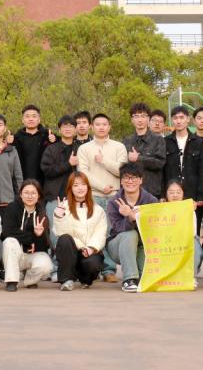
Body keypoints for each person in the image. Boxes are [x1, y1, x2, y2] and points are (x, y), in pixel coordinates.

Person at [77, 113, 126, 283]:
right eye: (97, 124)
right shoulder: (84, 148)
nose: (101, 127)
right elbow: (83, 172)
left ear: (109, 126)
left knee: (111, 232)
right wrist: (101, 186)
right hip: (93, 195)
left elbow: (122, 171)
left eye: (104, 124)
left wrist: (104, 161)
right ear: (92, 127)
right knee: (93, 232)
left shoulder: (119, 147)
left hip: (115, 196)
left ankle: (109, 270)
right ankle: (95, 267)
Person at [105, 162, 159, 292]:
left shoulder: (151, 201)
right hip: (117, 247)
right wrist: (129, 218)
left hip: (143, 247)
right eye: (126, 177)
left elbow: (154, 228)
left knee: (145, 280)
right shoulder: (113, 202)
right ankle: (129, 279)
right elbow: (117, 229)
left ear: (141, 180)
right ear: (121, 181)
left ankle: (138, 275)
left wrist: (134, 217)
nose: (130, 181)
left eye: (134, 177)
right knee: (130, 234)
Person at [52, 172, 108, 291]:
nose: (80, 188)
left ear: (88, 187)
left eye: (83, 184)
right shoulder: (63, 207)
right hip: (71, 251)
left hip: (89, 251)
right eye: (76, 185)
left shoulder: (98, 210)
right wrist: (59, 217)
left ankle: (85, 279)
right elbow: (61, 234)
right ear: (70, 188)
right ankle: (67, 280)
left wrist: (91, 248)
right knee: (65, 239)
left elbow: (100, 233)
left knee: (93, 264)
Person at [164, 106, 203, 231]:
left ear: (188, 119)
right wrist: (163, 194)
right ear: (172, 120)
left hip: (192, 196)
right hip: (172, 195)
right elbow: (163, 170)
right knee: (172, 230)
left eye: (181, 117)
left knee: (192, 231)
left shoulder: (198, 142)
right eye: (175, 118)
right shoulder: (165, 142)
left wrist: (202, 197)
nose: (178, 121)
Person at [1, 180, 53, 291]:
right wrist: (32, 237)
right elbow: (8, 232)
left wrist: (39, 236)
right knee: (10, 241)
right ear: (20, 194)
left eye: (33, 193)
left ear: (38, 195)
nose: (30, 196)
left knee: (46, 264)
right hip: (13, 254)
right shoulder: (12, 208)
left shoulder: (41, 214)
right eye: (26, 192)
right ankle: (12, 281)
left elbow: (44, 247)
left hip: (30, 256)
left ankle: (29, 281)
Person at [40, 115, 82, 239]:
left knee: (77, 232)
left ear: (75, 129)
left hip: (77, 197)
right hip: (55, 197)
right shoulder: (51, 149)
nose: (68, 129)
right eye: (64, 126)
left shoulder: (81, 149)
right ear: (59, 130)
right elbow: (47, 170)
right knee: (55, 232)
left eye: (71, 126)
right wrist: (68, 164)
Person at [123, 103, 167, 198]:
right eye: (136, 116)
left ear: (148, 119)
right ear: (132, 120)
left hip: (152, 192)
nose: (140, 120)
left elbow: (160, 163)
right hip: (131, 192)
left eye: (143, 116)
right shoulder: (126, 141)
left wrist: (138, 158)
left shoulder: (158, 140)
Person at [162, 180, 202, 275]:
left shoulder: (189, 208)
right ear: (166, 194)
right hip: (168, 240)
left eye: (178, 192)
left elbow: (192, 232)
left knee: (195, 247)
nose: (175, 195)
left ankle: (191, 276)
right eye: (171, 192)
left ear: (183, 194)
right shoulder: (161, 209)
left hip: (187, 239)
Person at [12, 104, 55, 184]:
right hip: (22, 182)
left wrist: (54, 141)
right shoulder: (16, 138)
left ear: (39, 119)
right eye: (27, 116)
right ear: (22, 120)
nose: (31, 119)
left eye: (34, 116)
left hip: (44, 182)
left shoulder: (48, 136)